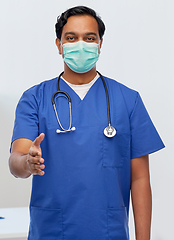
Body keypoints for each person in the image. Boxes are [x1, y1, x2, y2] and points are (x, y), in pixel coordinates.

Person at [9, 6, 164, 240]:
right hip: (52, 230)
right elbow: (16, 161)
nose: (80, 44)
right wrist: (27, 164)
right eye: (71, 38)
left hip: (108, 231)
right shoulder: (35, 98)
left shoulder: (127, 99)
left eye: (89, 38)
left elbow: (140, 179)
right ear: (59, 45)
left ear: (100, 44)